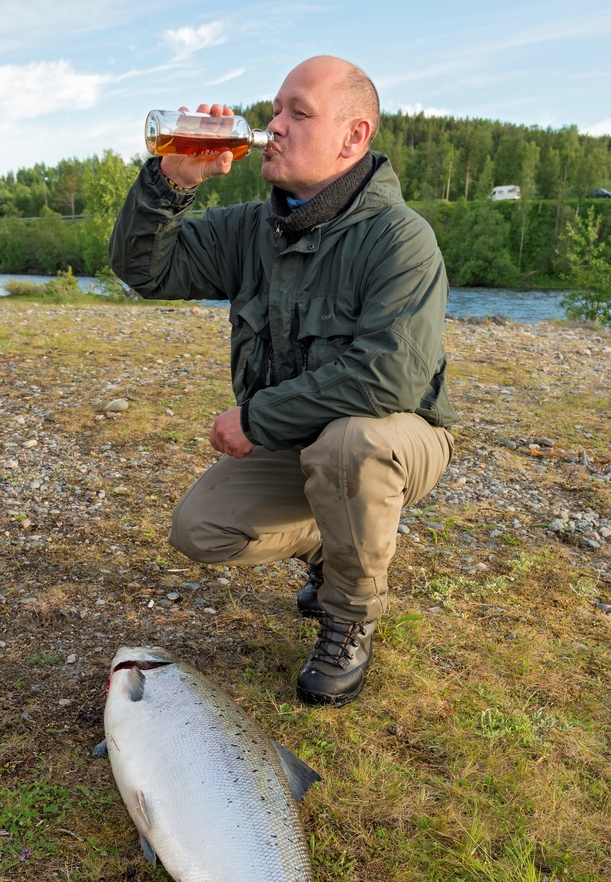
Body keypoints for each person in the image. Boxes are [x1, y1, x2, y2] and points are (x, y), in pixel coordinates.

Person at [110, 56, 458, 707]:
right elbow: (144, 270)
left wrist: (257, 420)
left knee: (350, 446)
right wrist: (169, 184)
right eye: (275, 110)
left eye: (299, 113)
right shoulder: (251, 228)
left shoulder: (399, 238)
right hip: (304, 445)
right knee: (201, 528)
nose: (274, 126)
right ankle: (339, 541)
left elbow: (390, 377)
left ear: (353, 138)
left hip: (398, 442)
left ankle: (349, 615)